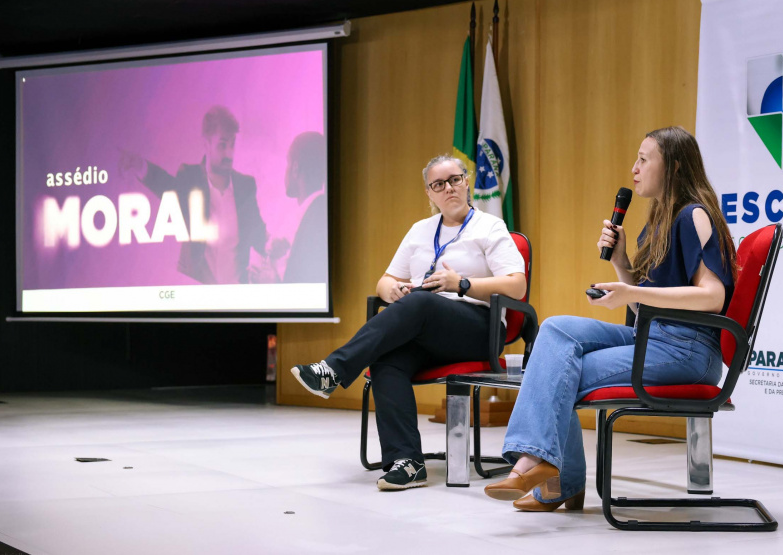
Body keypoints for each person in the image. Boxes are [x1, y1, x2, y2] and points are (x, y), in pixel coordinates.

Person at [484, 126, 738, 512]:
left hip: (688, 350)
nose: (633, 169)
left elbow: (712, 297)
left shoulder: (695, 215)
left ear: (672, 166)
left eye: (643, 159)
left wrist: (631, 292)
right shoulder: (658, 222)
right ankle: (544, 468)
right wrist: (622, 263)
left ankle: (547, 474)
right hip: (651, 337)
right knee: (554, 330)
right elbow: (643, 310)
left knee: (557, 371)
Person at [290, 154, 527, 491]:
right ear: (429, 194)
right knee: (386, 358)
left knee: (421, 302)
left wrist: (462, 283)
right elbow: (384, 281)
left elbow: (517, 285)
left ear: (467, 182)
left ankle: (334, 369)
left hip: (477, 325)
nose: (449, 188)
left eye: (455, 179)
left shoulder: (489, 227)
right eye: (438, 184)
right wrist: (395, 290)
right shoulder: (420, 230)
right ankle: (407, 461)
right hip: (424, 324)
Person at [119, 105, 283, 284]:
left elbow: (257, 231)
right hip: (196, 299)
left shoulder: (246, 186)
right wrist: (140, 166)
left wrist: (271, 244)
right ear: (206, 145)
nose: (229, 153)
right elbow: (167, 188)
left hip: (235, 302)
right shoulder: (190, 178)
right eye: (222, 145)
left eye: (232, 144)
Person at [282, 131, 328, 284]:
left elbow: (303, 281)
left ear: (295, 168)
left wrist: (273, 280)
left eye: (287, 163)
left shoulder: (315, 218)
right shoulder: (316, 212)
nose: (286, 171)